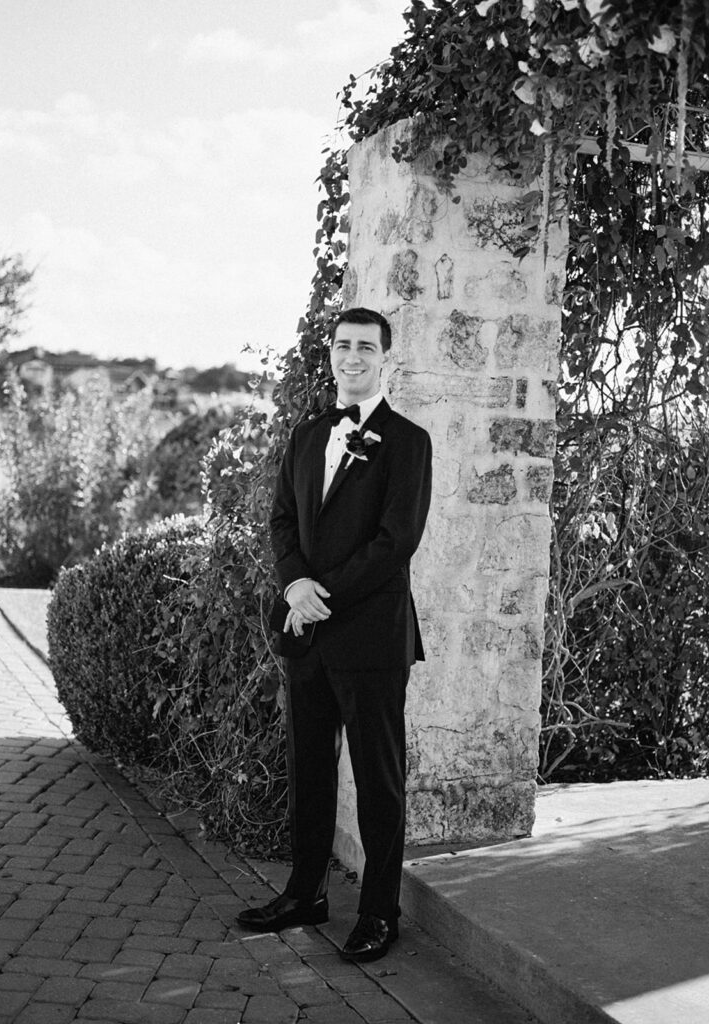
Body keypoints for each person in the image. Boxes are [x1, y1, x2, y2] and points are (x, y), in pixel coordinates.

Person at [237, 307, 432, 962]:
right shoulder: (305, 434)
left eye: (365, 348)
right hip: (307, 636)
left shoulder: (408, 442)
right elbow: (282, 522)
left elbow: (394, 541)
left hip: (372, 640)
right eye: (342, 346)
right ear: (331, 355)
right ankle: (304, 894)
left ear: (385, 359)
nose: (352, 357)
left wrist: (322, 597)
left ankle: (379, 913)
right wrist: (294, 586)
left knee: (378, 783)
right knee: (310, 771)